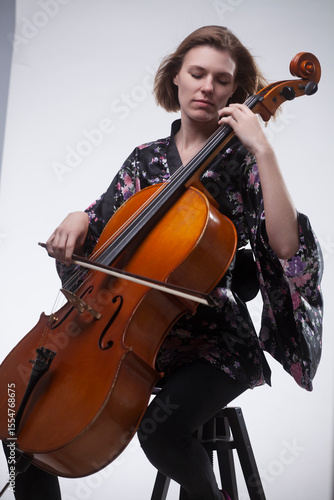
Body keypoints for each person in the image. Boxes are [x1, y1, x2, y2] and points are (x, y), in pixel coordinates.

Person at [4, 25, 323, 500]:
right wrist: (77, 218)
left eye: (221, 80)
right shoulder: (145, 160)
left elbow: (284, 247)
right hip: (132, 336)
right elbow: (102, 221)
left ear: (236, 91)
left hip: (214, 344)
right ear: (176, 77)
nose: (207, 87)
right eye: (196, 74)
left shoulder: (246, 164)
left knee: (161, 434)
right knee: (16, 417)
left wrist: (263, 148)